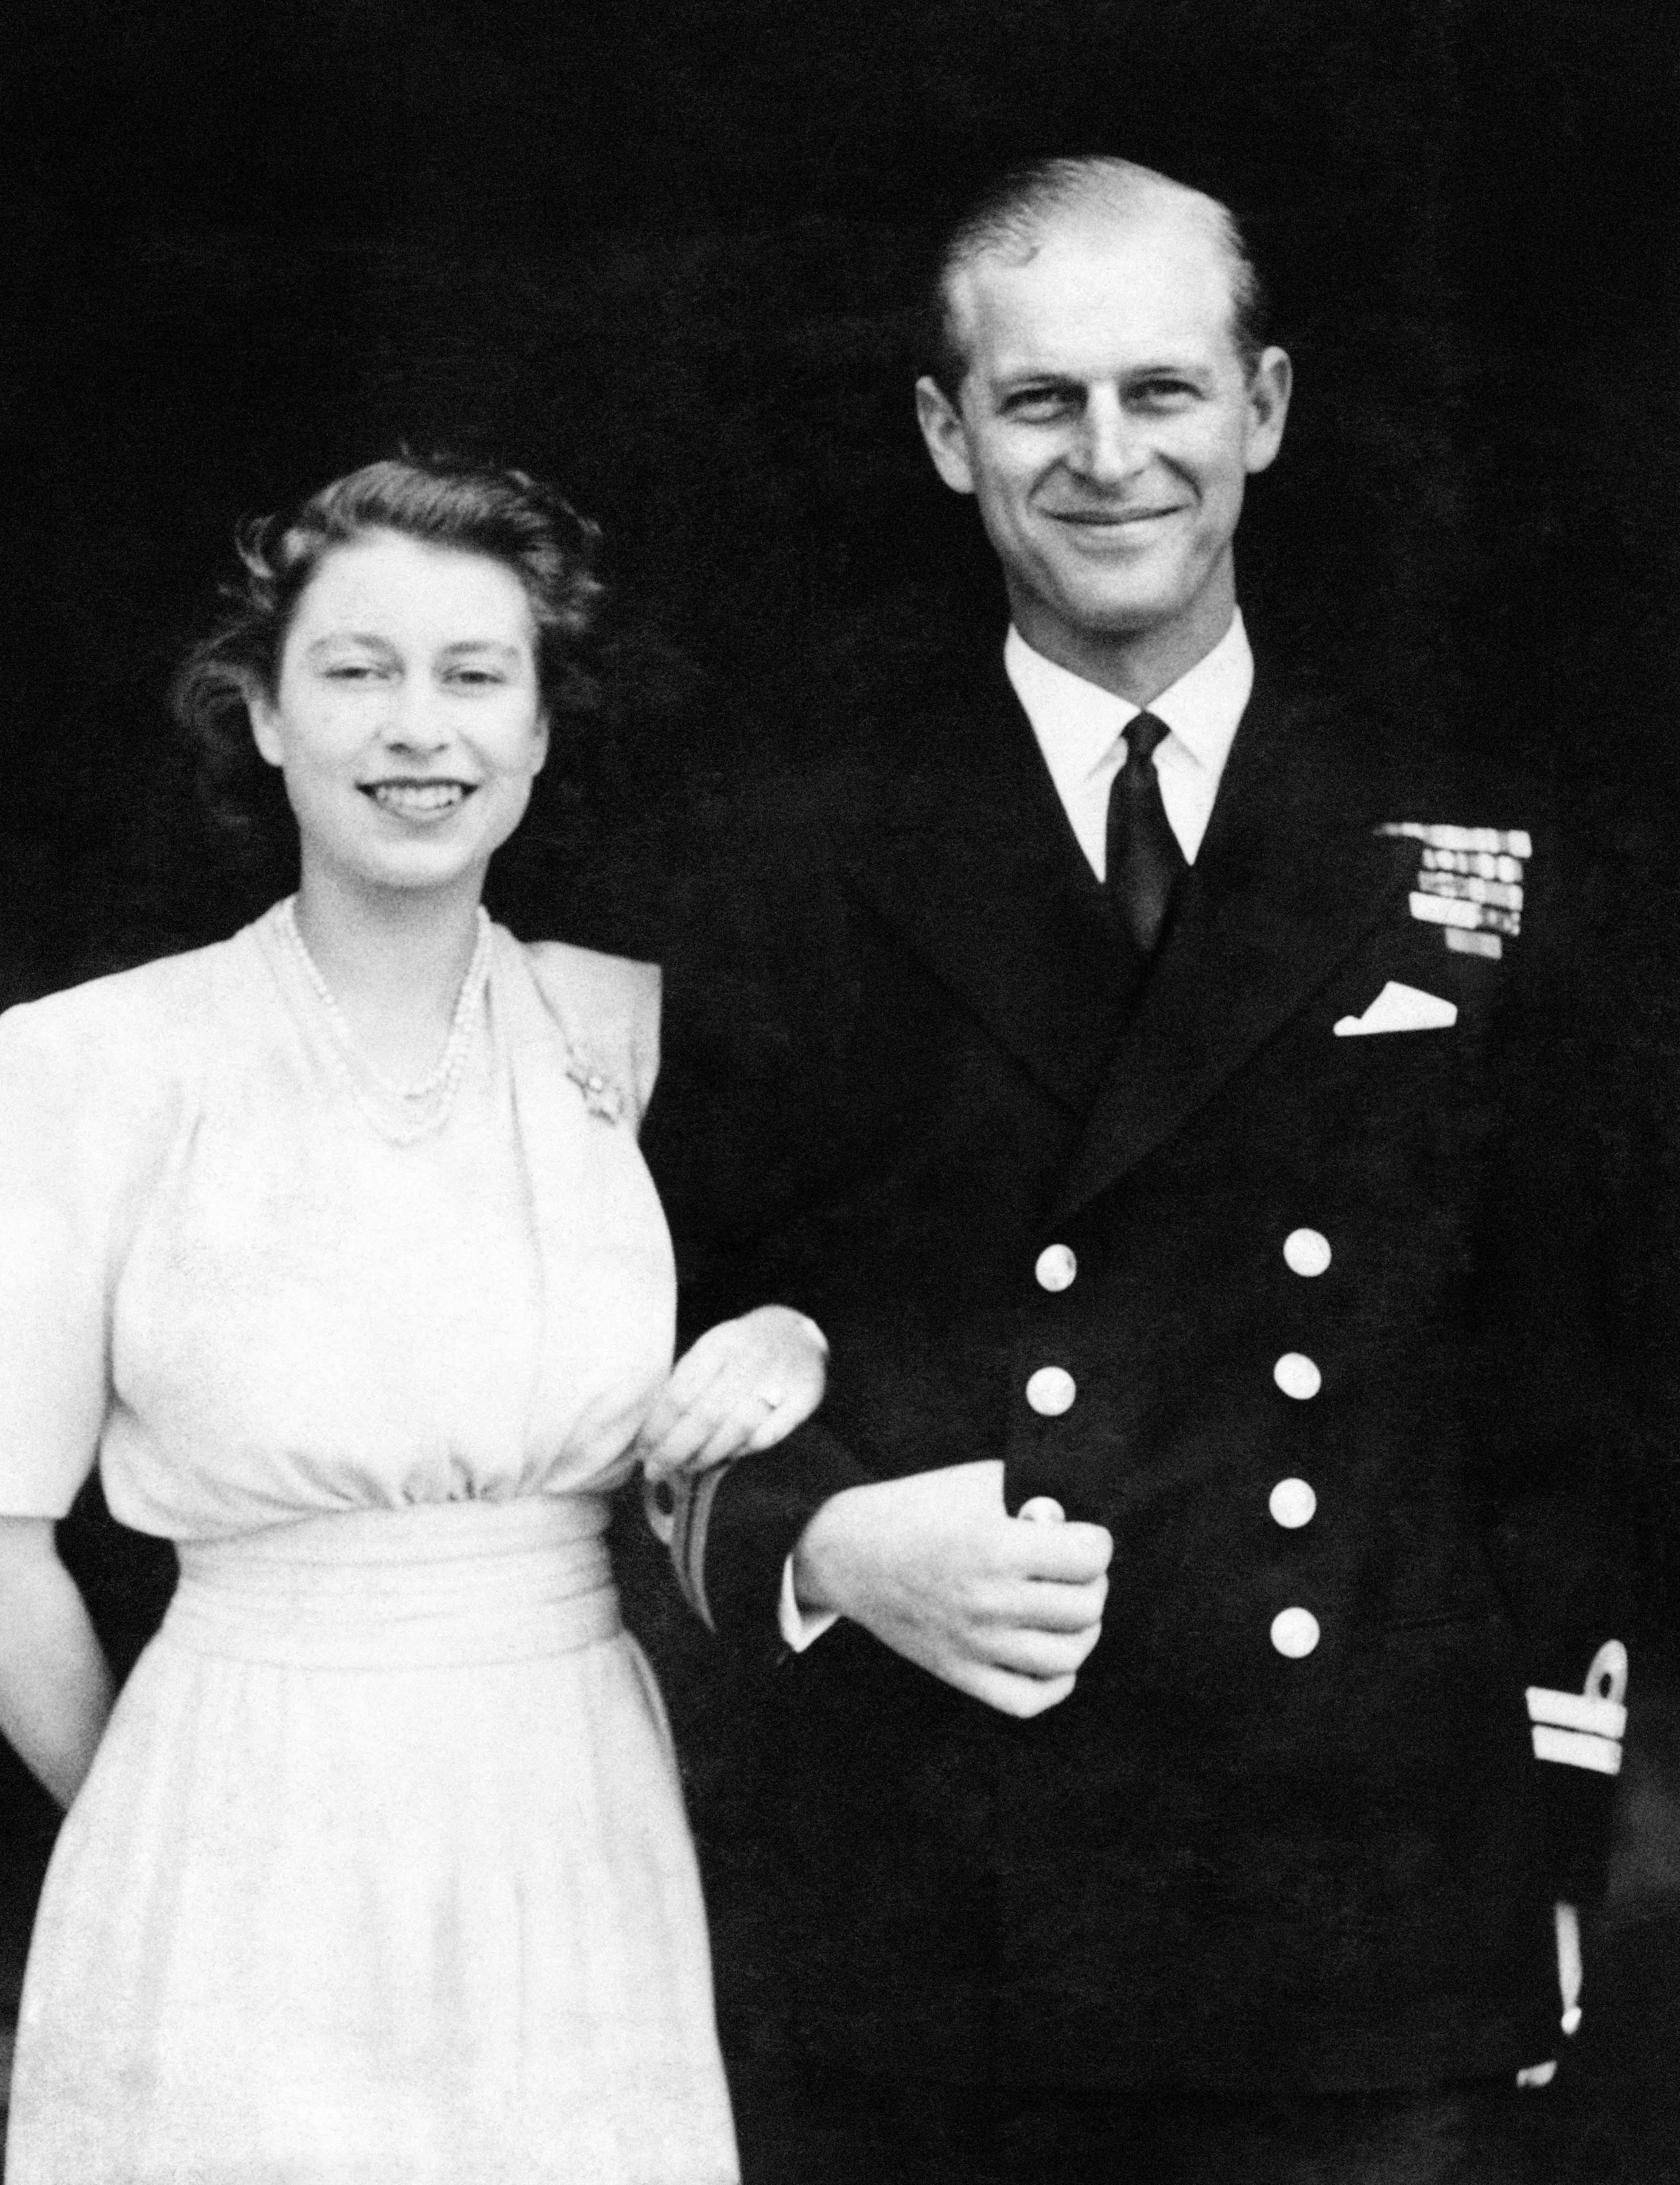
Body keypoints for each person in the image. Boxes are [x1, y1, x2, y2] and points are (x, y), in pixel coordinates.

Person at [645, 159, 1633, 2183]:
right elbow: (646, 1309)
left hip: (1357, 1903)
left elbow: (1576, 1394)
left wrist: (1545, 1846)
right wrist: (814, 1552)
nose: (1107, 459)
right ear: (947, 435)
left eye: (1161, 393)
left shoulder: (1473, 835)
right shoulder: (789, 842)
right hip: (926, 1907)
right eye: (1040, 402)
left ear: (1259, 409)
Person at [0, 455, 827, 2185]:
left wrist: (789, 1335)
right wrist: (162, 1827)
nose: (423, 729)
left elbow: (856, 1278)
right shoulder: (89, 1064)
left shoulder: (620, 1037)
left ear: (545, 727)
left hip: (574, 1813)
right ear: (261, 714)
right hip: (233, 1805)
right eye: (356, 671)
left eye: (478, 675)